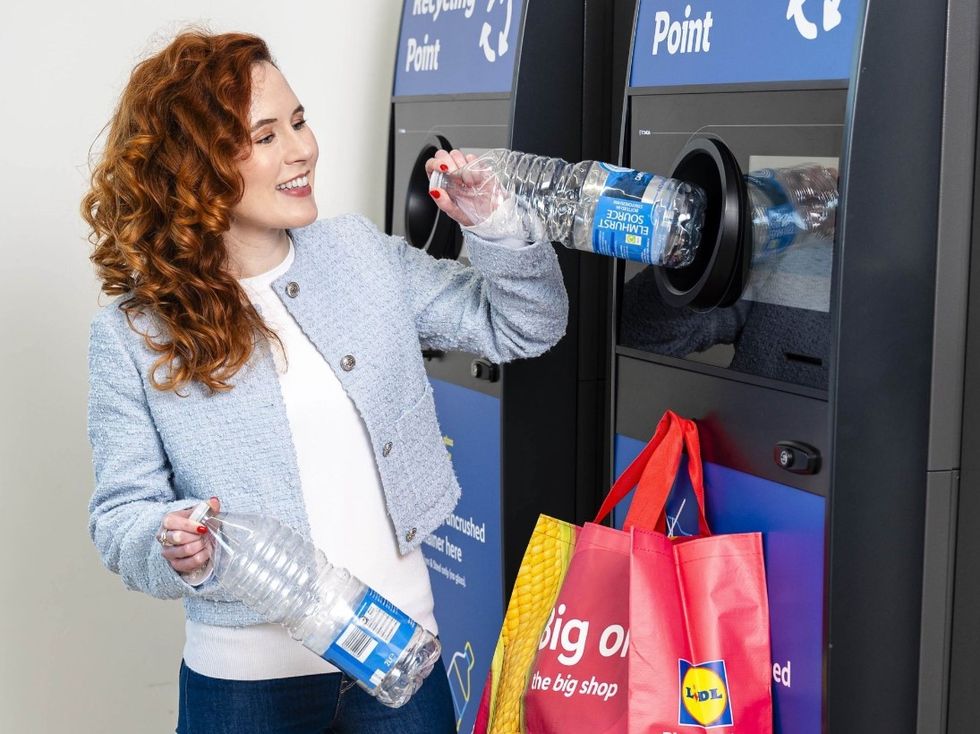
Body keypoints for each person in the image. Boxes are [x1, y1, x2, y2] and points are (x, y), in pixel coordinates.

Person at [82, 30, 567, 734]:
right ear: (196, 166)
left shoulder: (359, 256)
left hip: (403, 669)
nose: (302, 148)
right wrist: (169, 539)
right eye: (265, 135)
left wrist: (492, 223)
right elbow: (120, 514)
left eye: (300, 121)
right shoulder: (135, 333)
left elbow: (525, 326)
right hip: (243, 692)